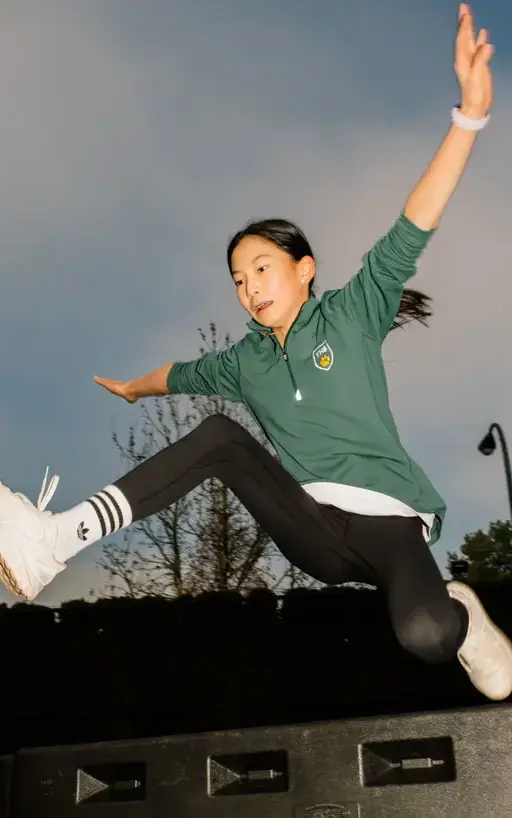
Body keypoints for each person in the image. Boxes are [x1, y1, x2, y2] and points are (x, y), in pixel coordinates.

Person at [1, 4, 511, 701]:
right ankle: (55, 540)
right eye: (238, 281)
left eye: (262, 269)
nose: (249, 288)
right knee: (220, 438)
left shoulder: (352, 313)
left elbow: (414, 222)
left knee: (426, 636)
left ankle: (463, 620)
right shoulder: (244, 362)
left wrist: (469, 116)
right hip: (311, 527)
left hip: (391, 525)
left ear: (305, 268)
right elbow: (178, 375)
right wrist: (133, 388)